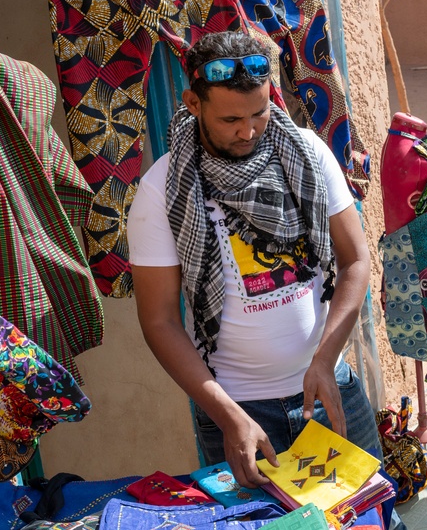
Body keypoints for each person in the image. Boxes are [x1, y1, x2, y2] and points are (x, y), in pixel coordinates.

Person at [128, 31, 382, 491]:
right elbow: (160, 320)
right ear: (192, 102)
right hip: (239, 411)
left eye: (260, 113)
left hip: (329, 387)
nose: (247, 131)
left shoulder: (308, 152)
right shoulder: (160, 189)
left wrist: (326, 359)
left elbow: (355, 261)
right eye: (230, 119)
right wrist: (227, 417)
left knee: (369, 517)